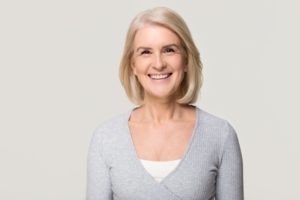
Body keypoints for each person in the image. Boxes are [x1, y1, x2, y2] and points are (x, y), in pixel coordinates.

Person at [87, 7, 243, 200]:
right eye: (146, 52)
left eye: (169, 50)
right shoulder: (106, 138)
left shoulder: (220, 135)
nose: (158, 63)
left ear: (185, 59)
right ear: (133, 65)